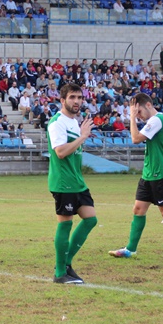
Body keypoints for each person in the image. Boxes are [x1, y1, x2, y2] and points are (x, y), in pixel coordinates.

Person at [109, 93, 163, 260]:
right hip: (149, 174)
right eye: (136, 113)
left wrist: (132, 119)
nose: (138, 115)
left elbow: (135, 138)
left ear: (148, 105)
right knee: (139, 209)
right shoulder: (159, 122)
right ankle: (130, 249)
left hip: (159, 175)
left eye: (139, 111)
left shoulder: (157, 120)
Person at [46, 84, 97, 284]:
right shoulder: (57, 123)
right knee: (65, 224)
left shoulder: (76, 123)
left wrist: (82, 135)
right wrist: (83, 137)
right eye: (72, 97)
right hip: (63, 182)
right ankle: (60, 273)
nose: (76, 101)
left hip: (77, 181)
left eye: (79, 97)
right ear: (63, 100)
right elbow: (60, 152)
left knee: (91, 219)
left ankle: (66, 263)